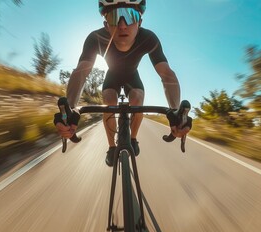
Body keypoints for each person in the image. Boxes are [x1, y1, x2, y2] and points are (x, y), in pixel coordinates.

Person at [55, 0, 190, 166]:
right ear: (106, 25)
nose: (122, 25)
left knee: (137, 99)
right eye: (114, 17)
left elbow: (167, 74)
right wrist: (69, 110)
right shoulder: (95, 38)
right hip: (112, 77)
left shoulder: (148, 38)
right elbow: (80, 72)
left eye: (129, 15)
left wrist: (176, 114)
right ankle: (112, 148)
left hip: (132, 77)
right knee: (108, 100)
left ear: (139, 22)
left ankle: (133, 139)